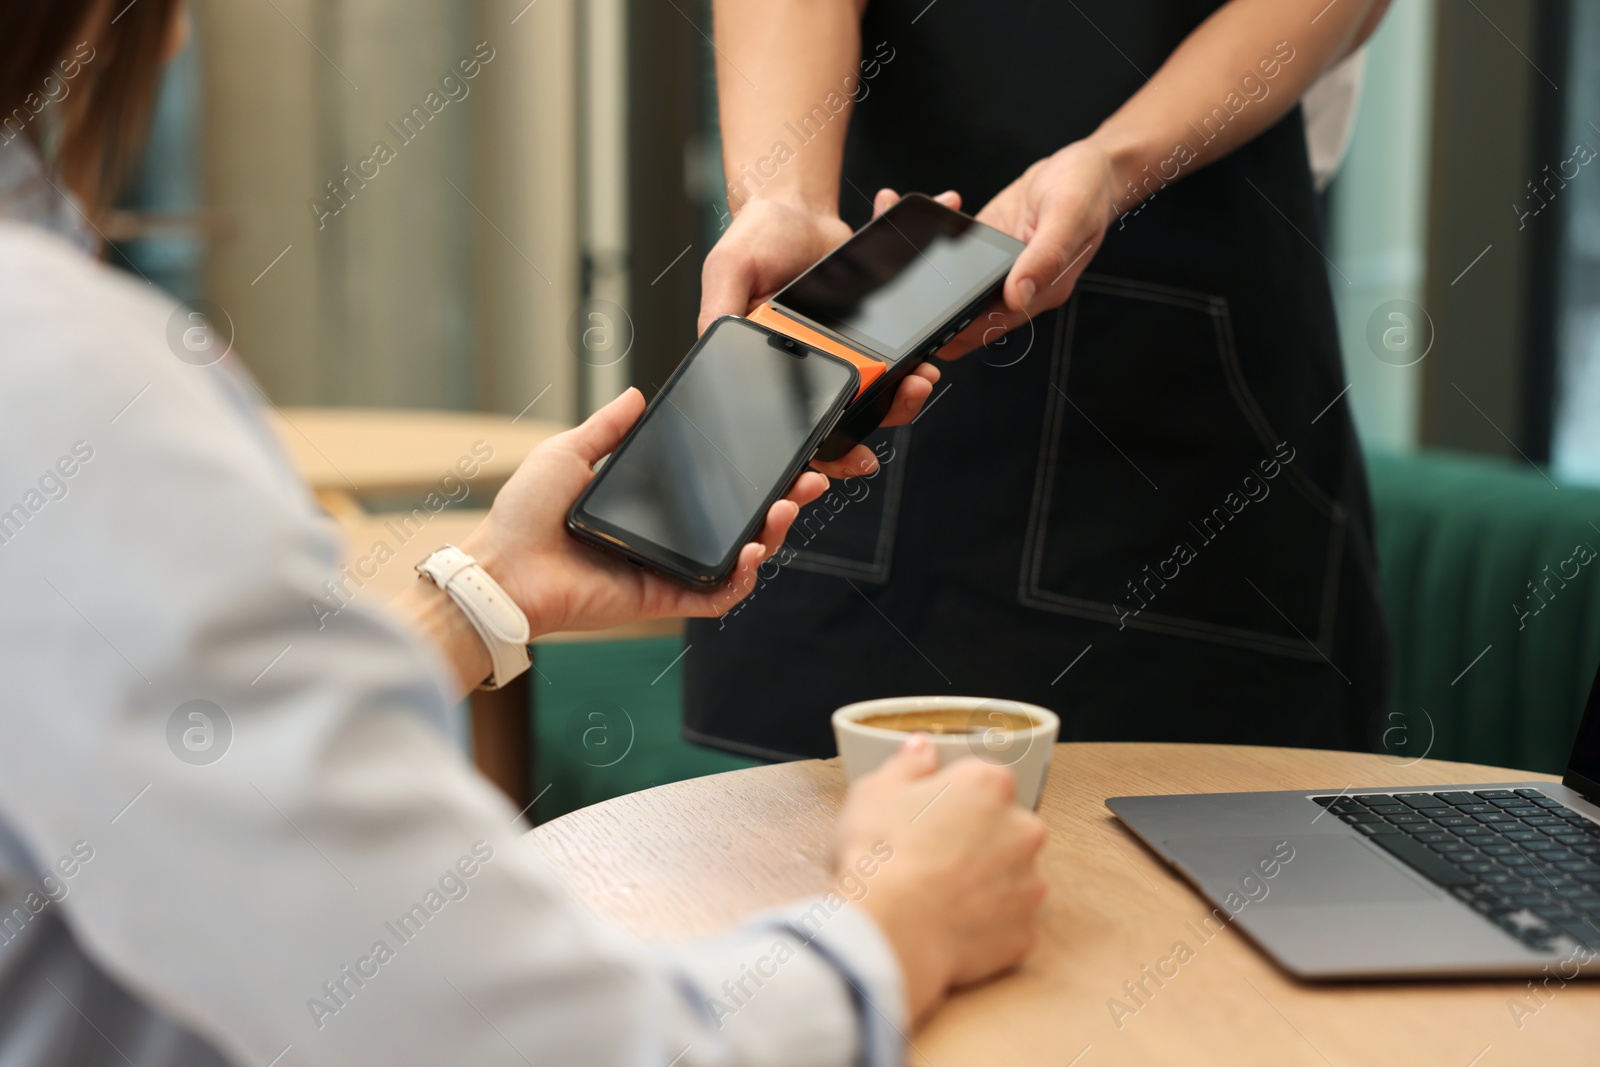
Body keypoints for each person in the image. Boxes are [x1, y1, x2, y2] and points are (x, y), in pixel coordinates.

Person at [0, 4, 1047, 1064]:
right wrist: (896, 927)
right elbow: (494, 1036)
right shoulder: (60, 372)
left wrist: (480, 593)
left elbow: (143, 770)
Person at [686, 0, 1395, 760]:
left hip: (1186, 414)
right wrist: (783, 199)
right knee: (807, 852)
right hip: (863, 323)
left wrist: (1116, 162)